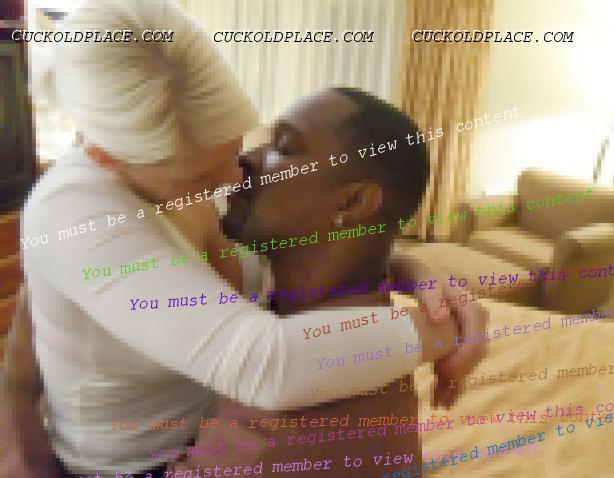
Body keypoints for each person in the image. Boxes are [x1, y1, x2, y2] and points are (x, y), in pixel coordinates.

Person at [19, 0, 483, 476]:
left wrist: (410, 268)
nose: (232, 175)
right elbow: (269, 364)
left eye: (237, 145)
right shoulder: (75, 215)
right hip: (138, 463)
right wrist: (448, 330)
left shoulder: (180, 170)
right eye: (201, 176)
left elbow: (325, 237)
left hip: (218, 426)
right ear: (107, 158)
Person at [167, 87, 485, 477]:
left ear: (353, 203)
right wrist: (412, 270)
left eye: (284, 148)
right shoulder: (318, 299)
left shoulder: (272, 433)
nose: (245, 158)